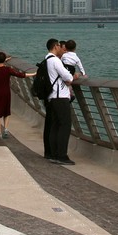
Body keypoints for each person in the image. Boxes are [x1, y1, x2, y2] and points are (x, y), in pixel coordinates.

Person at [42, 38, 80, 166]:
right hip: (60, 96)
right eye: (59, 45)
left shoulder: (46, 60)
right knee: (64, 126)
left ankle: (53, 154)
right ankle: (62, 155)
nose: (61, 48)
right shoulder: (55, 61)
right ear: (55, 46)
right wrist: (75, 76)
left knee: (55, 126)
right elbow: (68, 77)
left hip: (51, 97)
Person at [0, 51, 27, 139]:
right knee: (6, 111)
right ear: (4, 60)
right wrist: (34, 74)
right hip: (6, 92)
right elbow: (20, 75)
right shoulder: (8, 69)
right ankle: (6, 128)